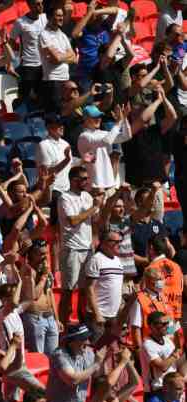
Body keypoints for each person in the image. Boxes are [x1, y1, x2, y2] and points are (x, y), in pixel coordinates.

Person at [58, 166, 103, 324]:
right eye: (83, 178)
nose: (86, 181)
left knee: (85, 290)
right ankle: (63, 325)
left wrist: (99, 205)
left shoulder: (88, 196)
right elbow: (73, 221)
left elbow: (95, 220)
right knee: (68, 291)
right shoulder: (65, 197)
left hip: (87, 248)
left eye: (87, 178)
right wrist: (94, 208)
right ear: (73, 180)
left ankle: (83, 324)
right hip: (72, 248)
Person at [78, 104, 132, 191]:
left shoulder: (101, 133)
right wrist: (119, 122)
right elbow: (107, 140)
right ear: (85, 119)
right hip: (94, 185)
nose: (98, 119)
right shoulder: (84, 136)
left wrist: (124, 118)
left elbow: (126, 136)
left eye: (99, 116)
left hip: (108, 182)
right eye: (94, 117)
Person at [84, 229, 125, 341]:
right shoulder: (96, 260)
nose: (119, 244)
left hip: (114, 315)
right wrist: (97, 314)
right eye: (115, 242)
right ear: (104, 243)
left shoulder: (117, 260)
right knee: (96, 350)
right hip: (99, 316)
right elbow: (89, 288)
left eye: (120, 241)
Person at [38, 6, 77, 113]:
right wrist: (64, 56)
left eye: (62, 16)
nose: (61, 18)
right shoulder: (44, 35)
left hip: (65, 79)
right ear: (50, 17)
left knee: (66, 113)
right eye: (58, 15)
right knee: (55, 114)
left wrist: (60, 57)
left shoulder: (63, 35)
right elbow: (57, 57)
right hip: (53, 81)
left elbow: (73, 57)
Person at [10, 0, 46, 108]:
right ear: (30, 5)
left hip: (44, 64)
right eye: (37, 4)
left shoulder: (45, 18)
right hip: (28, 65)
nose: (41, 6)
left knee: (41, 96)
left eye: (42, 3)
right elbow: (11, 42)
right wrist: (20, 53)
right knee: (25, 97)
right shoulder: (20, 22)